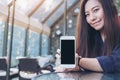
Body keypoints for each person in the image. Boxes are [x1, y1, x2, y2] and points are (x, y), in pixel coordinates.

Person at [58, 0, 120, 73]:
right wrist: (76, 68)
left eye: (96, 10)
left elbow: (115, 62)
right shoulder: (90, 38)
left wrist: (78, 61)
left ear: (108, 8)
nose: (91, 18)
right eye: (87, 14)